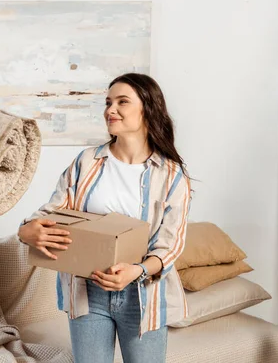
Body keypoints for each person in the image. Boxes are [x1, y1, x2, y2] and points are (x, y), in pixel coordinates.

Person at [18, 73, 192, 363]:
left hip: (143, 295)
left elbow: (170, 245)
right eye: (108, 102)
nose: (110, 109)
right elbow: (52, 210)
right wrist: (26, 230)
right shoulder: (87, 162)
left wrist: (135, 271)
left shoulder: (171, 175)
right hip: (88, 292)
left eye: (122, 102)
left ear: (148, 109)